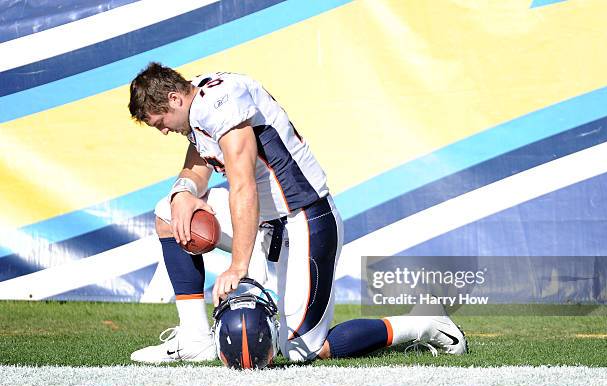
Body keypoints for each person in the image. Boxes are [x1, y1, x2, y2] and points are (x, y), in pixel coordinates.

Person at [127, 63, 468, 364]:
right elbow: (201, 156)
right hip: (266, 222)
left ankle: (423, 323)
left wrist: (238, 268)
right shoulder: (198, 100)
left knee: (300, 349)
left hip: (302, 219)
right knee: (169, 212)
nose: (164, 130)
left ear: (174, 98)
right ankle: (193, 339)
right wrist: (183, 192)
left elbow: (243, 186)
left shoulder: (217, 104)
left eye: (161, 123)